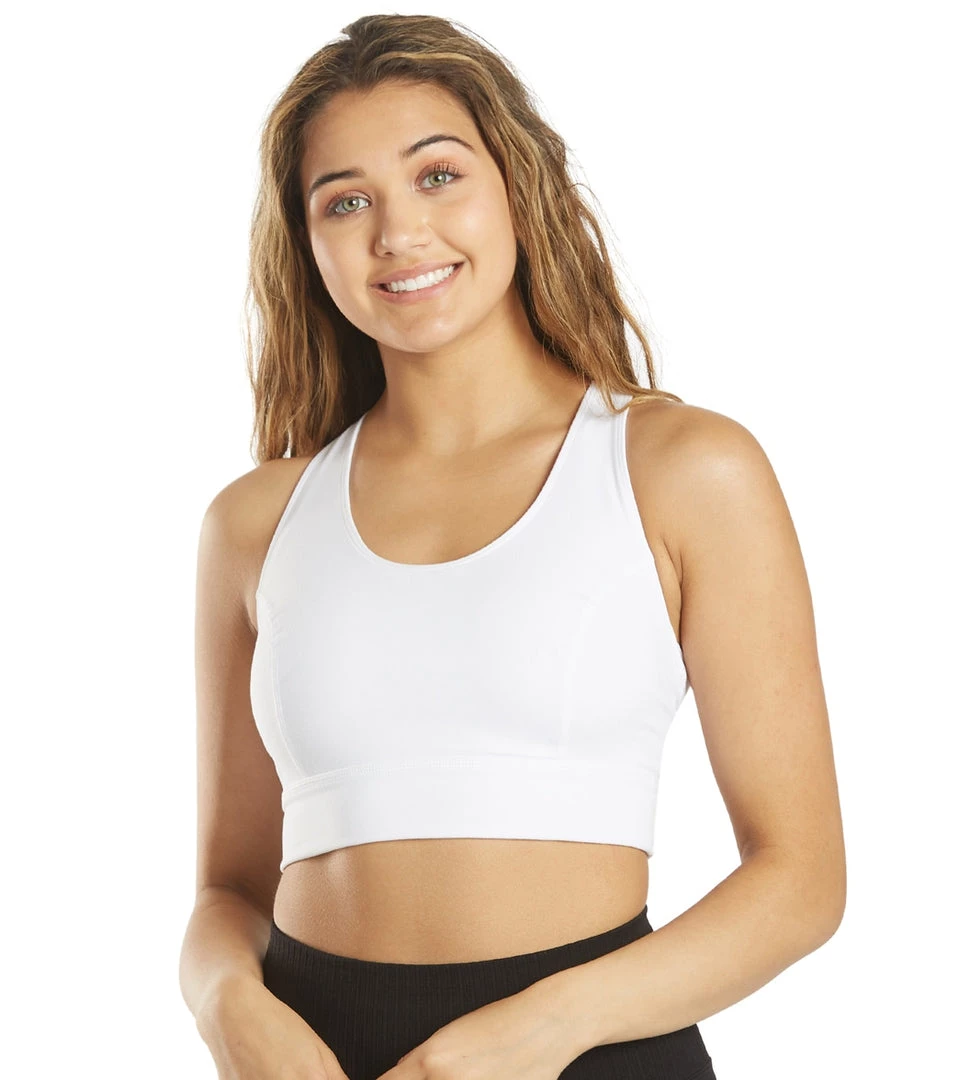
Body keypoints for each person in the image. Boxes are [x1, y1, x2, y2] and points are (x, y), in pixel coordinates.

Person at [178, 13, 846, 1080]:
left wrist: (536, 1033)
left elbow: (800, 880)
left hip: (586, 1054)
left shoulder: (682, 469)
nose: (397, 232)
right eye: (344, 200)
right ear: (306, 245)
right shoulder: (254, 523)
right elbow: (227, 889)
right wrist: (227, 1008)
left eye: (436, 176)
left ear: (517, 187)